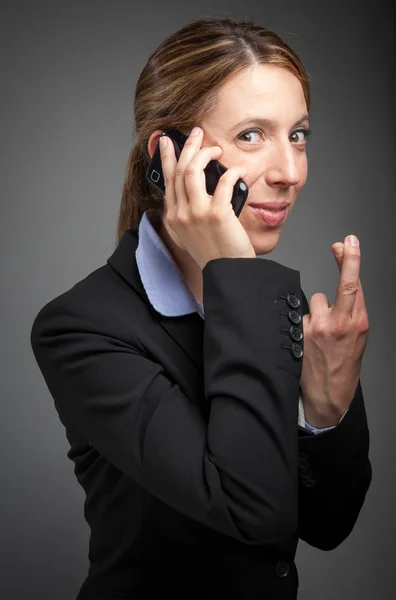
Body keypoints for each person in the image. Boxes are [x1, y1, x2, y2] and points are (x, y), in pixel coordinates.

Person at [30, 17, 372, 599]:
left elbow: (328, 525)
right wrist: (237, 276)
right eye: (251, 135)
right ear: (168, 155)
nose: (290, 173)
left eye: (298, 135)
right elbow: (254, 512)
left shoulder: (278, 303)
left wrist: (325, 412)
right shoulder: (81, 329)